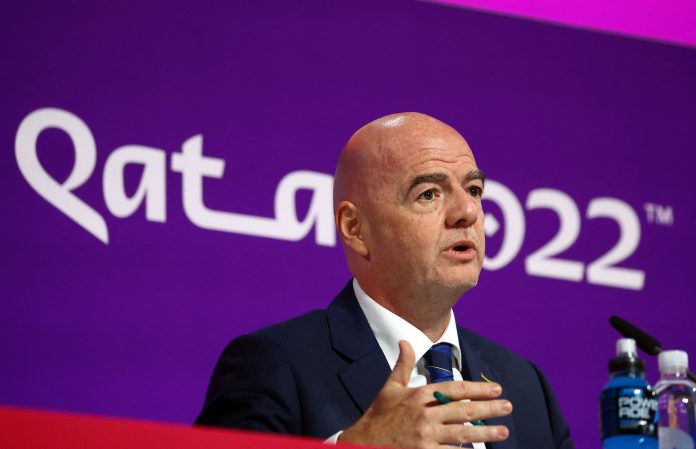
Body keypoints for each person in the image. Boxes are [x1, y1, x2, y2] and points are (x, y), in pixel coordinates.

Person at [195, 112, 573, 448]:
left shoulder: (525, 387)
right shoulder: (276, 365)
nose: (467, 211)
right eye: (429, 194)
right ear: (356, 228)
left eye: (473, 190)